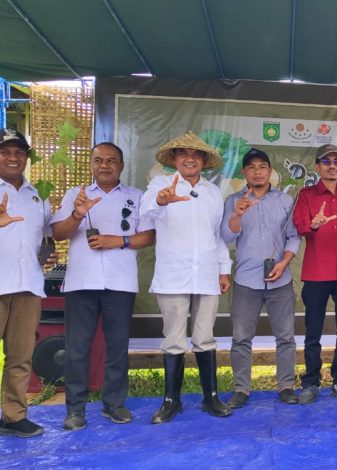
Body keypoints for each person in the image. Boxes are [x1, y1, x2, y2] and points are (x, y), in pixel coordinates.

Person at [51, 143, 155, 430]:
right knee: (77, 349)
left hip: (120, 283)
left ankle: (114, 404)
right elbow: (58, 234)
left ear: (121, 165)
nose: (105, 165)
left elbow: (148, 236)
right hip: (80, 283)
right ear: (92, 165)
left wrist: (118, 240)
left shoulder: (136, 196)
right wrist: (76, 214)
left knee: (117, 347)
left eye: (111, 160)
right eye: (98, 160)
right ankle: (75, 410)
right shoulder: (77, 194)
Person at [140, 131, 232, 423]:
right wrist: (162, 200)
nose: (190, 158)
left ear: (204, 161)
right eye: (183, 154)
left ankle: (211, 397)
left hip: (206, 274)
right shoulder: (159, 184)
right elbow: (145, 213)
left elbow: (216, 236)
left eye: (196, 155)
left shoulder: (213, 193)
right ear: (175, 159)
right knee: (174, 340)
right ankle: (171, 401)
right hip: (173, 274)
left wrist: (223, 269)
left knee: (205, 337)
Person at [221, 148, 301, 407]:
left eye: (262, 166)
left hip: (281, 280)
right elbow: (226, 236)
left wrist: (284, 262)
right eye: (252, 167)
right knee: (241, 338)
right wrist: (237, 215)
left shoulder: (285, 201)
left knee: (286, 337)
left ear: (270, 172)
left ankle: (286, 385)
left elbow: (294, 235)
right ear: (244, 172)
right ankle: (241, 389)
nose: (257, 171)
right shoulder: (234, 200)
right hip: (247, 280)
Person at [292, 144, 337, 404]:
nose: (332, 165)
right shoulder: (306, 195)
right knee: (313, 331)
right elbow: (301, 226)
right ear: (317, 166)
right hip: (316, 273)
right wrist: (313, 224)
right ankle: (311, 382)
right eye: (326, 161)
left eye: (336, 161)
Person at [0, 129, 50, 438]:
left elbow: (44, 238)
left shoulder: (37, 195)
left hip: (28, 286)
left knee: (20, 357)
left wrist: (47, 250)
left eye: (19, 152)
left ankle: (14, 415)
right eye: (5, 151)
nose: (13, 157)